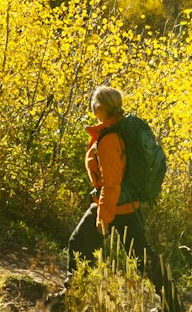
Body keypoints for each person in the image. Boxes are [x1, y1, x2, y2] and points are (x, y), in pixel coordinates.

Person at [64, 85, 155, 285]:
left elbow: (111, 183)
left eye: (93, 103)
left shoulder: (109, 139)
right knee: (143, 259)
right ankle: (172, 304)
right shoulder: (120, 130)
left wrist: (103, 219)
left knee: (79, 245)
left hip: (110, 206)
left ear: (100, 108)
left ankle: (72, 296)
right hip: (128, 205)